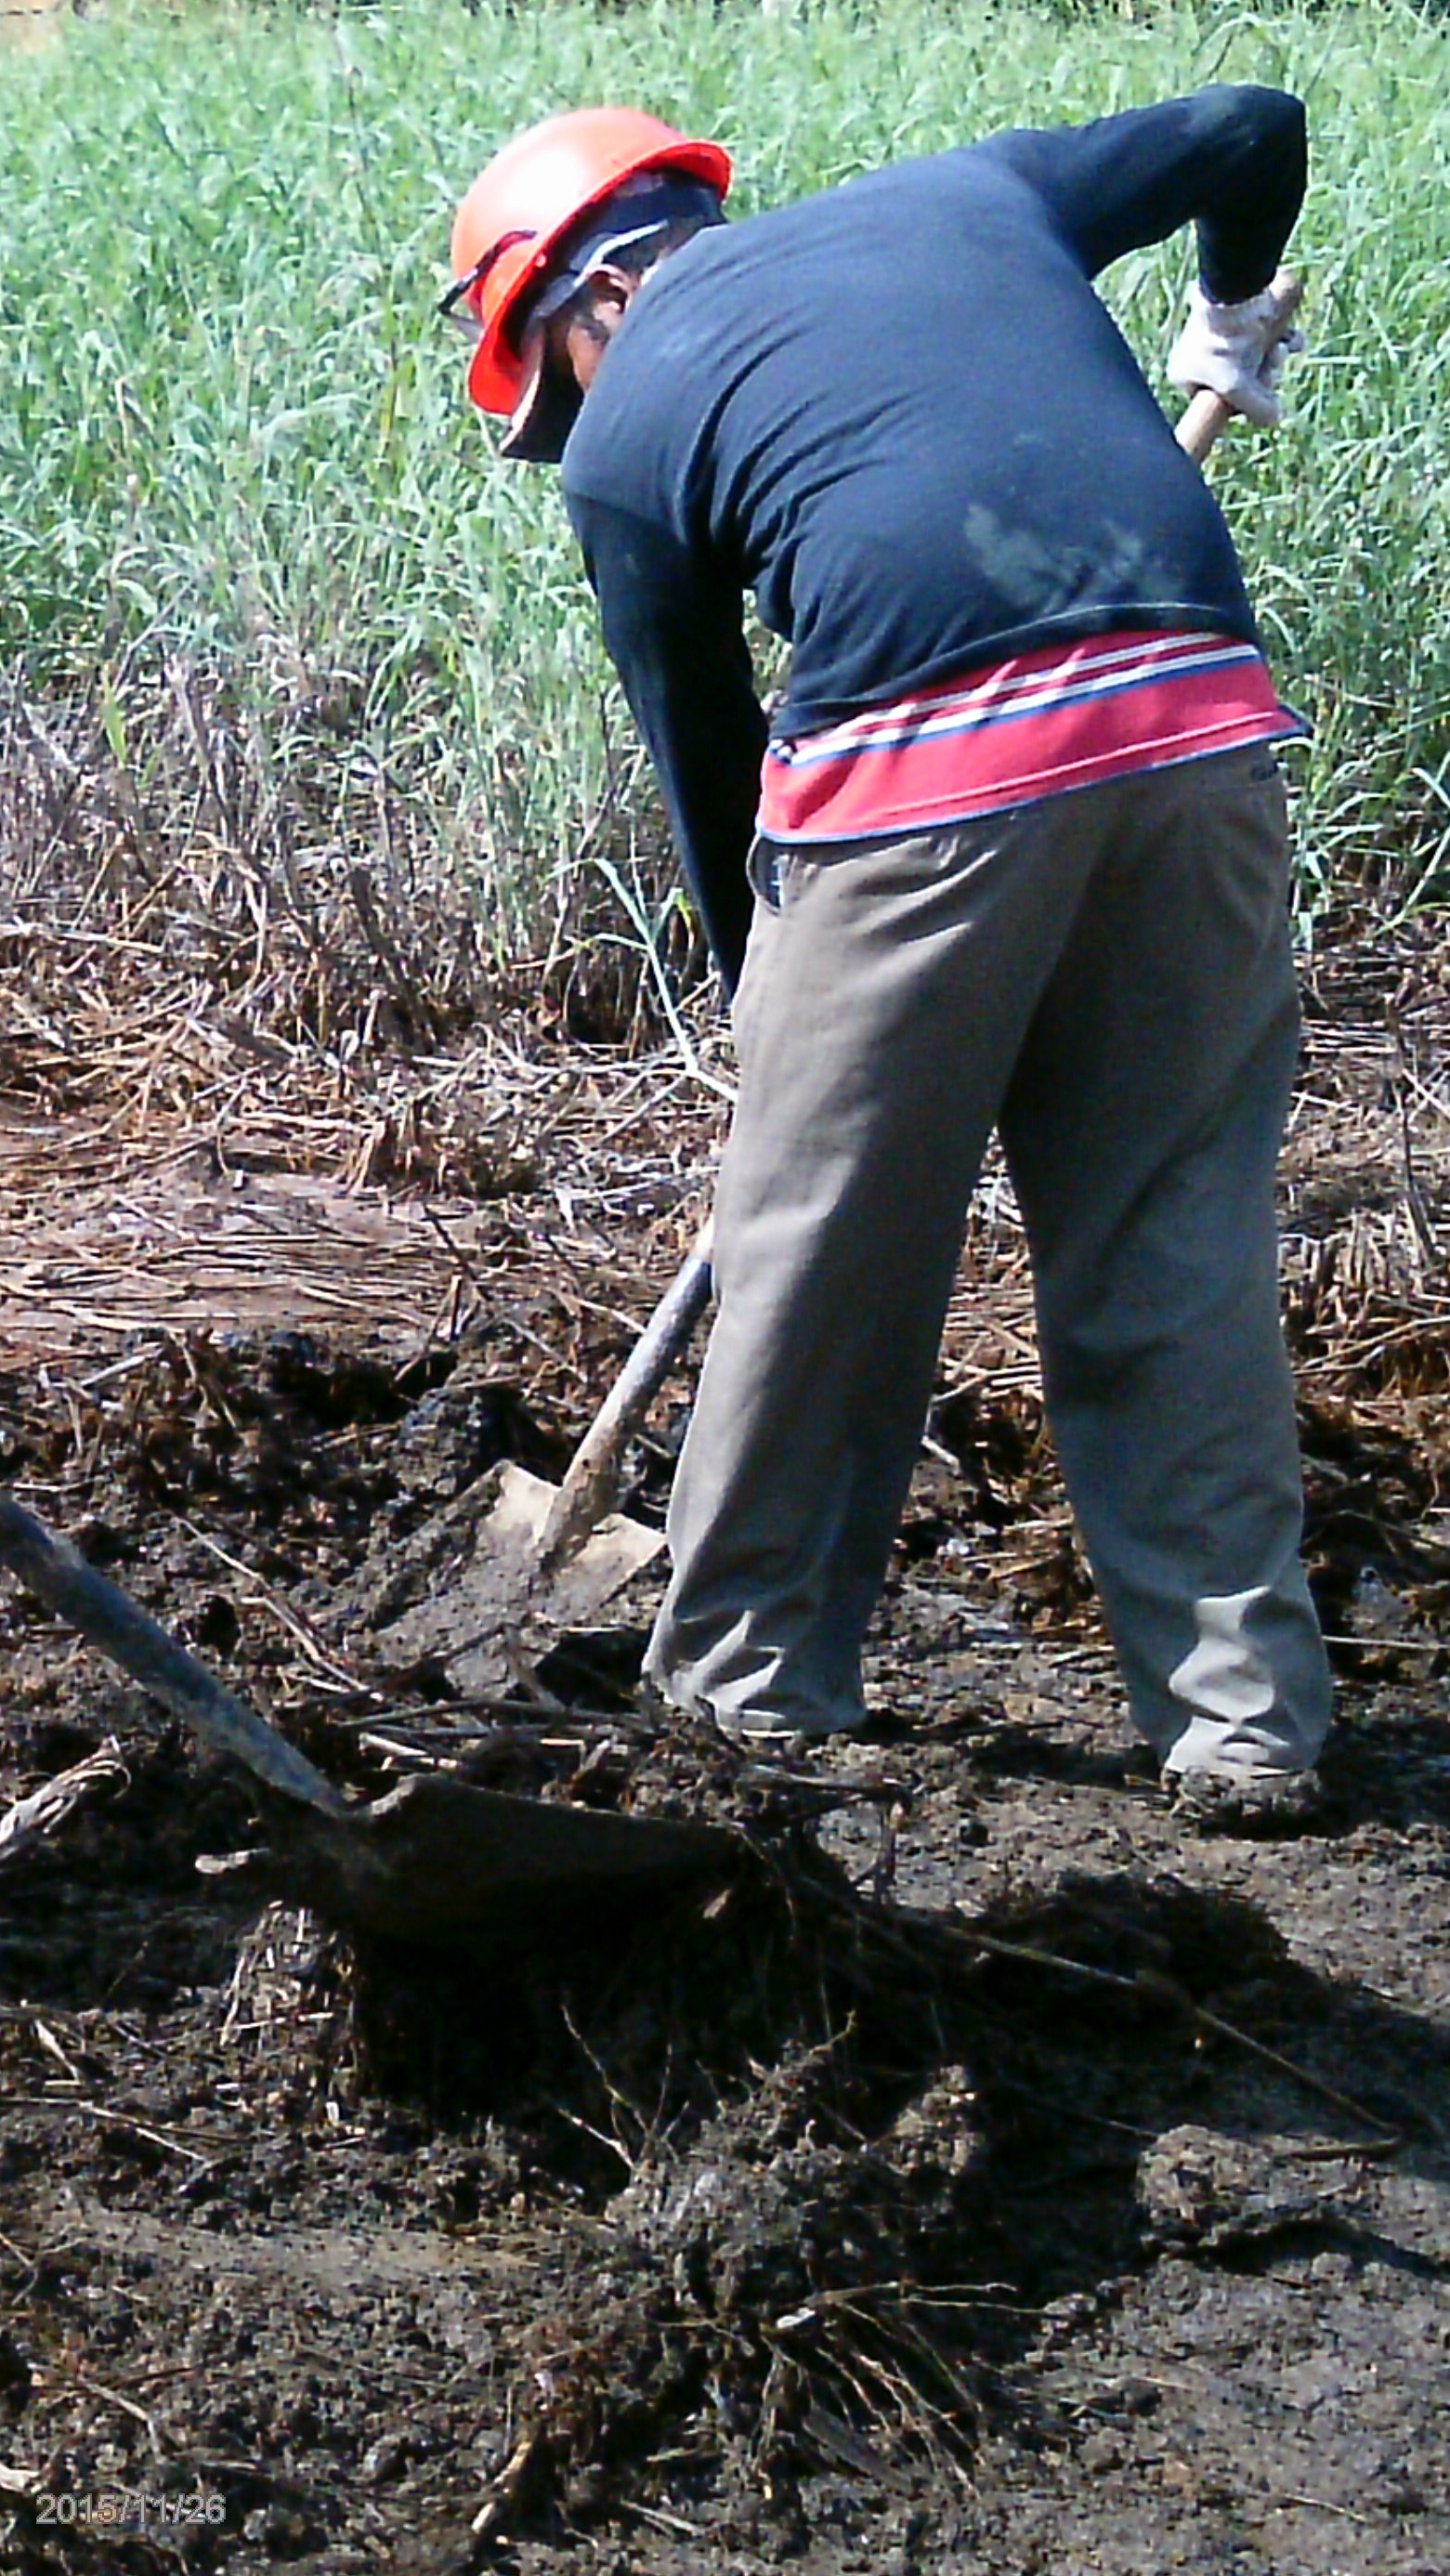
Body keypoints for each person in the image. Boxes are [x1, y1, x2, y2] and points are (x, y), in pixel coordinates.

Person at [448, 92, 1331, 1829]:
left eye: (551, 381)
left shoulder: (628, 437)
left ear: (591, 303)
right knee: (1171, 1233)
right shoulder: (969, 189)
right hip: (1198, 732)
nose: (574, 427)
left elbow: (717, 787)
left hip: (921, 792)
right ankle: (1244, 1723)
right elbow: (1252, 127)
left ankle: (740, 1692)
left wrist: (775, 1061)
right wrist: (1227, 307)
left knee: (822, 1257)